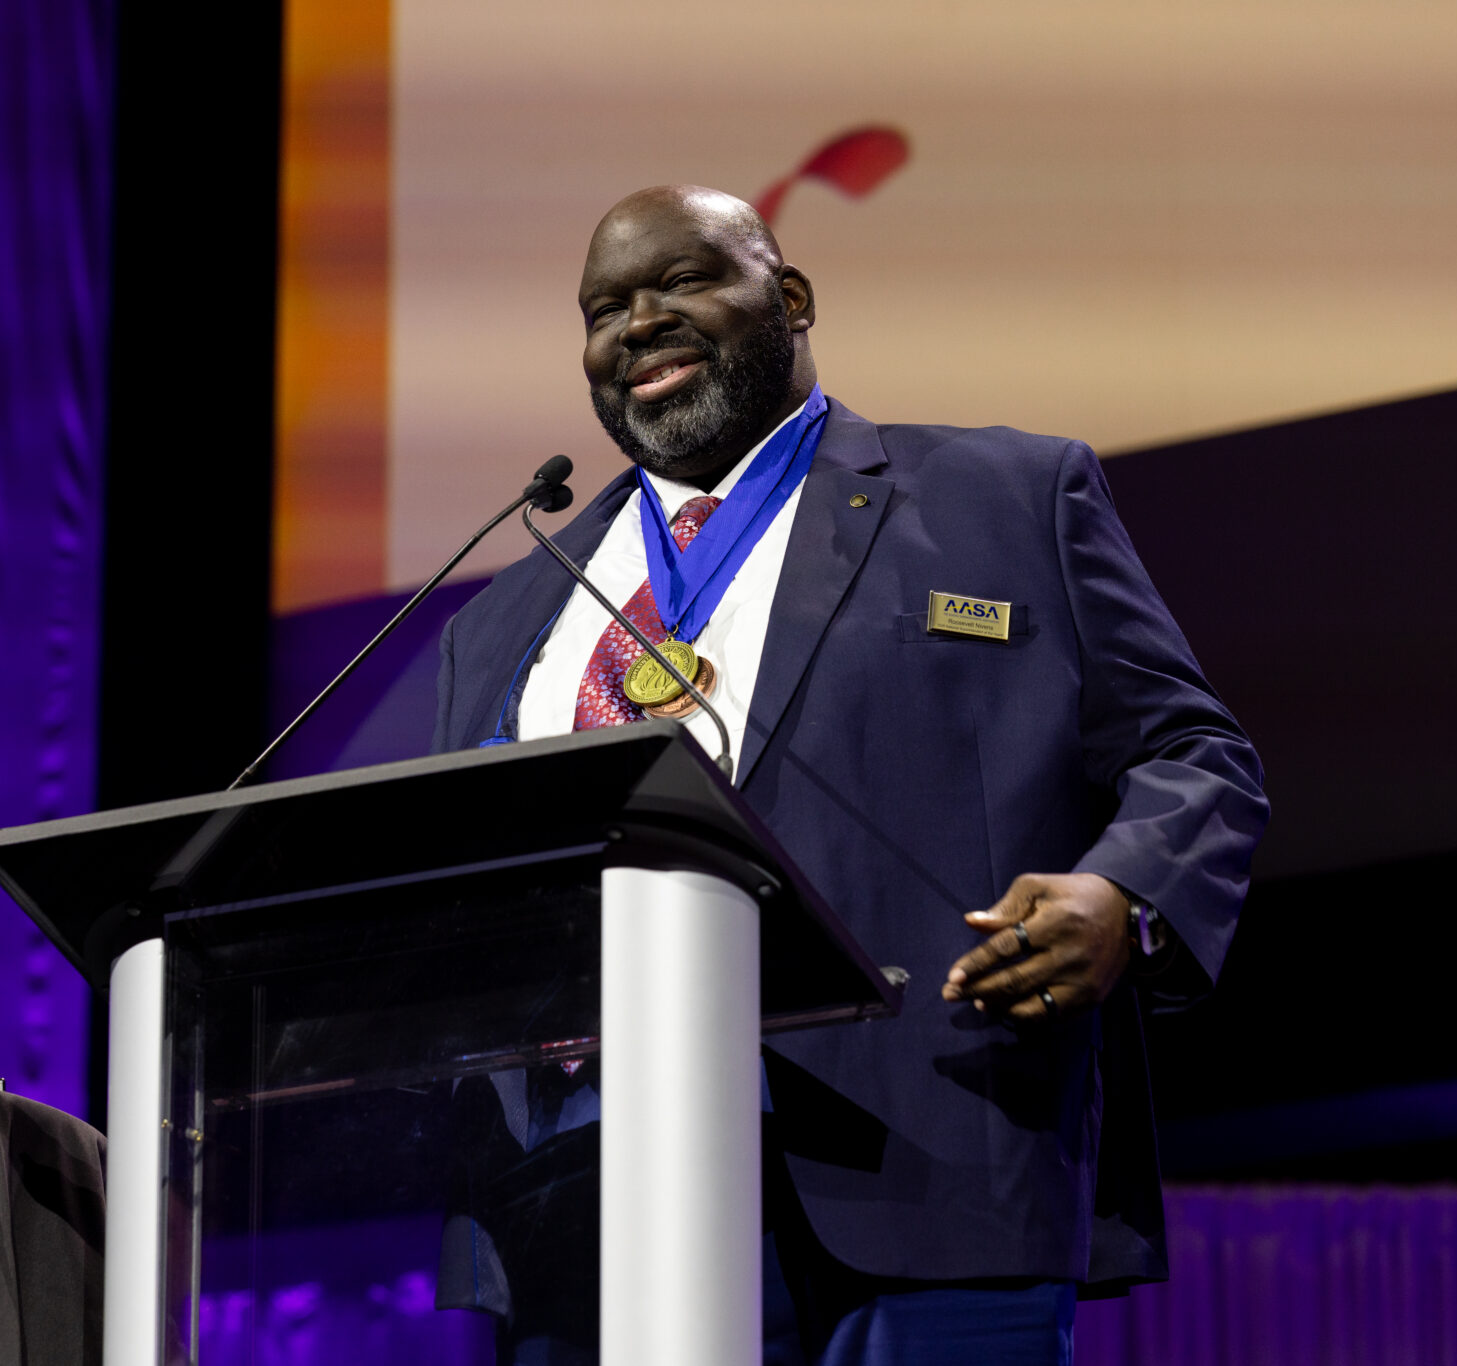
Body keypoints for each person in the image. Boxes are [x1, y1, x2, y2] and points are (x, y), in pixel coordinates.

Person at [432, 185, 1268, 1366]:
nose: (639, 322)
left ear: (790, 297)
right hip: (575, 1208)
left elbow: (1194, 756)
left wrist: (1123, 897)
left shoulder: (1003, 497)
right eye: (603, 308)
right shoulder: (504, 610)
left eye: (682, 281)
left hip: (924, 1162)